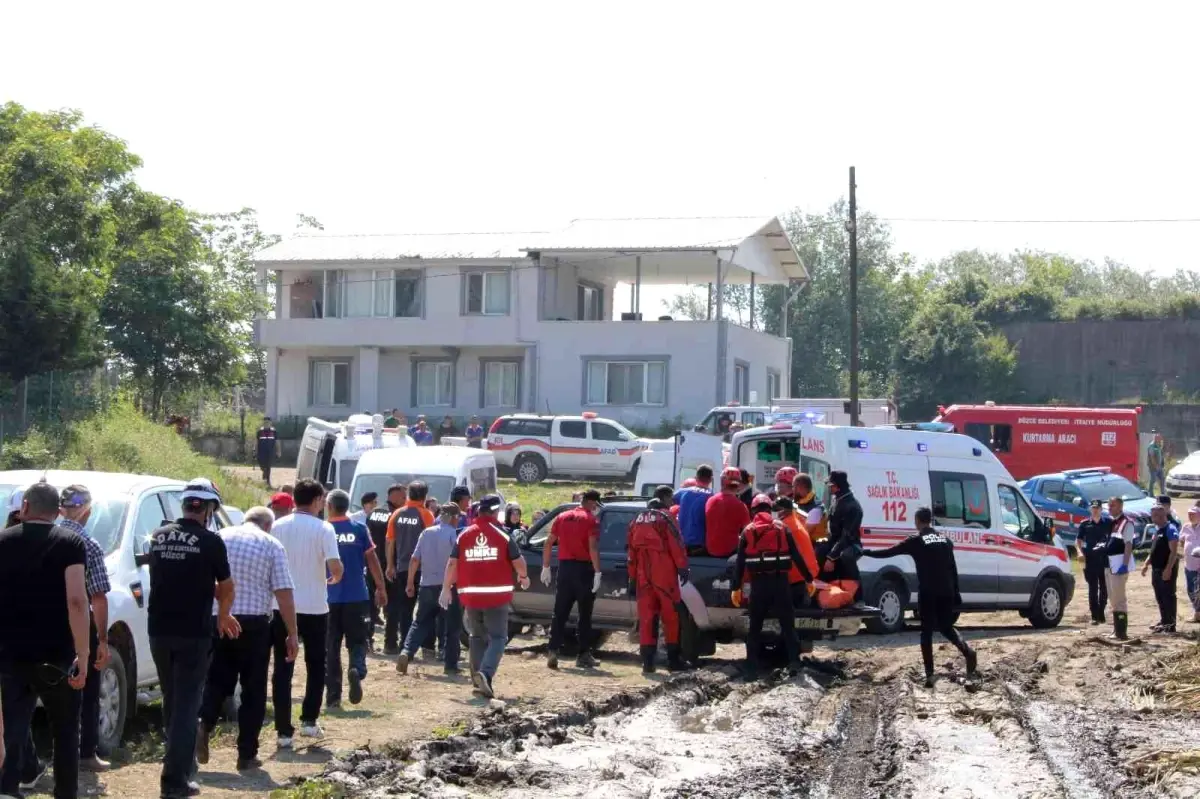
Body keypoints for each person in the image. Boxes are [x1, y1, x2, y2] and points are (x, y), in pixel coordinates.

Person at [146, 478, 236, 799]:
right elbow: (225, 586)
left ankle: (183, 765)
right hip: (193, 633)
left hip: (159, 631)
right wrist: (224, 615)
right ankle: (175, 781)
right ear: (209, 508)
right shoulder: (211, 541)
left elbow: (172, 576)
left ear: (185, 505)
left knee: (172, 700)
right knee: (186, 705)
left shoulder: (157, 537)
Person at [0, 483, 90, 799]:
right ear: (57, 512)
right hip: (58, 656)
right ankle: (65, 793)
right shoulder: (71, 544)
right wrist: (84, 652)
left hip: (10, 655)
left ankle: (7, 790)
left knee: (13, 731)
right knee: (65, 733)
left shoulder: (3, 541)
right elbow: (77, 601)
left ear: (24, 507)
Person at [198, 507, 297, 771]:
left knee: (217, 678)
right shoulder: (271, 544)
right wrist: (292, 633)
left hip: (219, 617)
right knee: (253, 689)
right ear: (268, 525)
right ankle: (246, 754)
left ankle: (203, 723)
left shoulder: (219, 536)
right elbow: (283, 592)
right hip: (253, 624)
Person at [862, 507, 977, 688]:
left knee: (926, 631)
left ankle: (930, 675)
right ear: (930, 520)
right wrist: (956, 592)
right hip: (946, 590)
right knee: (946, 627)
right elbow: (952, 568)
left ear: (917, 521)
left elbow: (889, 552)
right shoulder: (945, 541)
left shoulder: (915, 541)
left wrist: (865, 552)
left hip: (928, 592)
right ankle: (968, 651)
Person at [269, 479, 343, 748]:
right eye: (322, 500)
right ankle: (309, 720)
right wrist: (335, 577)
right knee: (315, 664)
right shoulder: (324, 528)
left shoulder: (277, 526)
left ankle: (283, 731)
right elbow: (335, 566)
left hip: (281, 605)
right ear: (315, 501)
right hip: (314, 606)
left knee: (282, 667)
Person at [443, 495, 531, 698]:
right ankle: (486, 673)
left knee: (476, 636)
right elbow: (518, 561)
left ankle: (476, 678)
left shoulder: (464, 535)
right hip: (496, 597)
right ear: (493, 512)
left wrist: (446, 588)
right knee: (499, 637)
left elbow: (452, 563)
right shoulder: (501, 534)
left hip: (470, 597)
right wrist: (524, 577)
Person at [56, 486, 112, 774]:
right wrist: (102, 639)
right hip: (79, 624)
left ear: (60, 509)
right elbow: (98, 596)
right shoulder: (88, 544)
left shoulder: (46, 538)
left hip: (45, 624)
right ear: (87, 512)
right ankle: (86, 753)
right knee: (87, 688)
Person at [732, 494, 813, 678]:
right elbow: (796, 556)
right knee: (787, 625)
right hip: (780, 584)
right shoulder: (783, 528)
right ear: (770, 510)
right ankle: (794, 662)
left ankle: (751, 668)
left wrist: (735, 588)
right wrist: (809, 579)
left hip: (759, 586)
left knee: (754, 628)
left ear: (753, 511)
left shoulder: (747, 531)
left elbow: (739, 563)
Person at [325, 491, 387, 708]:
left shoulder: (323, 530)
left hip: (328, 598)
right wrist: (380, 588)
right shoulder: (359, 529)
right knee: (358, 641)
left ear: (330, 506)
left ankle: (333, 697)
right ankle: (357, 669)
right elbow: (372, 560)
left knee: (331, 647)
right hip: (357, 596)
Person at [626, 493, 690, 674]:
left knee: (647, 617)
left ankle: (647, 662)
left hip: (642, 575)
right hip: (663, 571)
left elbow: (631, 553)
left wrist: (632, 577)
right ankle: (674, 660)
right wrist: (682, 567)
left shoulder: (635, 521)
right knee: (671, 616)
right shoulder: (666, 518)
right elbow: (676, 543)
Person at [397, 503, 463, 676]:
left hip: (426, 586)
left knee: (420, 622)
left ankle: (406, 652)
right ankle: (450, 665)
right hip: (448, 587)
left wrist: (410, 583)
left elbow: (414, 560)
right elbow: (456, 562)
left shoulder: (426, 533)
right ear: (454, 518)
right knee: (452, 627)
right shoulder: (454, 536)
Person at [542, 489, 602, 670]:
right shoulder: (591, 520)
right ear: (593, 503)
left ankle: (553, 649)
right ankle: (583, 654)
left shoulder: (562, 517)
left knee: (560, 612)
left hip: (565, 568)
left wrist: (546, 566)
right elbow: (592, 548)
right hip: (584, 570)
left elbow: (548, 542)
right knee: (584, 614)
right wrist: (598, 571)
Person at [385, 482, 436, 656]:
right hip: (423, 569)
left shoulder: (397, 514)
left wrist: (390, 565)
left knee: (405, 609)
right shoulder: (427, 515)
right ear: (424, 496)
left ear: (408, 495)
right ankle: (427, 647)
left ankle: (404, 646)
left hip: (402, 568)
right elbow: (432, 542)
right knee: (427, 609)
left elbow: (390, 541)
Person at [366, 485, 405, 651]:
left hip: (372, 563)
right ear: (395, 497)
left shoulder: (374, 513)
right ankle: (390, 643)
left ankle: (367, 640)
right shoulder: (398, 515)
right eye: (403, 497)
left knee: (369, 606)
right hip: (390, 565)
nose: (405, 500)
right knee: (394, 605)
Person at [1141, 505, 1180, 633]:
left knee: (1168, 596)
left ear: (1161, 516)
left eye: (1154, 516)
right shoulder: (1157, 530)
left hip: (1166, 568)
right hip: (1156, 569)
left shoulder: (1170, 529)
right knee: (1160, 596)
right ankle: (1164, 621)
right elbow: (1153, 549)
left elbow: (1174, 552)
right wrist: (1146, 564)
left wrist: (1168, 569)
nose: (1152, 518)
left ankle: (1170, 625)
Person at [774, 497, 819, 608]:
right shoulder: (795, 522)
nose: (773, 513)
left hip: (798, 577)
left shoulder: (785, 526)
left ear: (784, 510)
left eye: (775, 510)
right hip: (807, 574)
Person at [1075, 499, 1112, 625]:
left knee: (1104, 587)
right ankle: (1094, 615)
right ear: (1090, 509)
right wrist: (1079, 552)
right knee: (1092, 587)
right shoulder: (1085, 524)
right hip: (1090, 559)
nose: (1095, 510)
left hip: (1104, 558)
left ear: (1101, 509)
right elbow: (1078, 540)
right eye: (1093, 508)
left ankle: (1101, 612)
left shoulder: (1108, 522)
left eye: (1097, 508)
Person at [1105, 496, 1136, 640]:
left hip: (1118, 566)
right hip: (1110, 565)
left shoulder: (1126, 523)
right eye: (1109, 505)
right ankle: (1116, 629)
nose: (1110, 508)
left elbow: (1128, 544)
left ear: (1121, 507)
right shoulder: (1113, 523)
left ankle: (1122, 631)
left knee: (1119, 600)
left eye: (1113, 505)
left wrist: (1125, 564)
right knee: (1113, 599)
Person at [705, 467, 751, 558]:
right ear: (738, 484)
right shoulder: (741, 506)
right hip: (730, 553)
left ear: (722, 481)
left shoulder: (710, 500)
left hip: (710, 550)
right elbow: (748, 533)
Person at [674, 465, 714, 554]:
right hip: (699, 545)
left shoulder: (682, 492)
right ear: (711, 479)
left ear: (696, 478)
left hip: (681, 544)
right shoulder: (712, 497)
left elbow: (668, 500)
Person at [1179, 506, 1200, 623]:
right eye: (1189, 514)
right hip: (1189, 564)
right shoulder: (1186, 527)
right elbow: (1181, 541)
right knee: (1191, 589)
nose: (1191, 516)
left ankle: (1198, 614)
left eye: (1193, 514)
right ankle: (1197, 612)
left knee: (1199, 590)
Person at [793, 473, 827, 542]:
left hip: (816, 545)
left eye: (794, 486)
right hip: (805, 543)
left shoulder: (816, 508)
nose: (793, 489)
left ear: (802, 487)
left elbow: (805, 532)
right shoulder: (799, 501)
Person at [256, 417, 279, 487]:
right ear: (263, 423)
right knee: (262, 465)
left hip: (270, 452)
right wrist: (254, 450)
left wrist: (278, 451)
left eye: (268, 422)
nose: (266, 423)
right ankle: (264, 471)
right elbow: (256, 442)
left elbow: (277, 442)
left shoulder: (274, 432)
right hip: (261, 451)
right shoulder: (259, 432)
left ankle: (268, 481)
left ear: (270, 423)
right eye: (265, 422)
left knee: (268, 466)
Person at [1148, 432, 1167, 498]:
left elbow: (1160, 455)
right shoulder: (1152, 445)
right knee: (1153, 480)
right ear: (1156, 438)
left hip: (1160, 466)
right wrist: (1155, 466)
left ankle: (1163, 493)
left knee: (1162, 479)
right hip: (1153, 466)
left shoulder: (1158, 445)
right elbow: (1152, 457)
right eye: (1159, 438)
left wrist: (1162, 464)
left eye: (1161, 439)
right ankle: (1150, 494)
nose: (1161, 440)